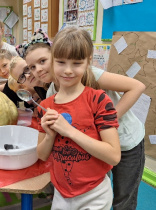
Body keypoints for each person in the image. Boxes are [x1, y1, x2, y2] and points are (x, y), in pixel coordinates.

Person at [43, 38, 146, 210]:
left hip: (126, 141)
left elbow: (137, 87)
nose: (39, 70)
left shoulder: (90, 75)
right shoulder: (52, 93)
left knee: (123, 198)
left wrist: (107, 122)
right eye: (32, 67)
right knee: (99, 190)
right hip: (96, 147)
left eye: (42, 62)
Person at [37, 27, 121, 209]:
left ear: (88, 62)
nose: (67, 70)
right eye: (61, 62)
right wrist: (50, 135)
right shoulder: (45, 106)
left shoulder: (98, 100)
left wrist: (70, 131)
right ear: (52, 61)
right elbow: (42, 155)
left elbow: (114, 156)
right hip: (61, 194)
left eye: (76, 63)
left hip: (95, 194)